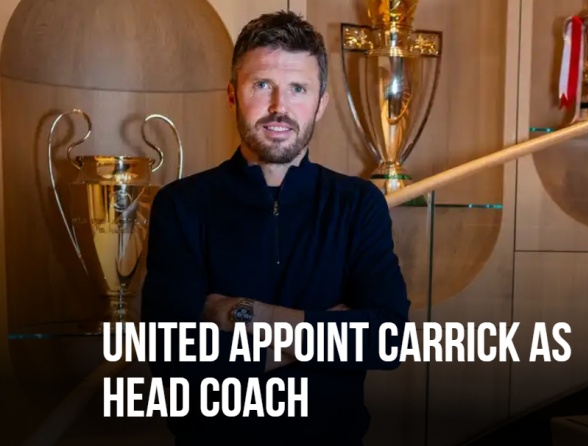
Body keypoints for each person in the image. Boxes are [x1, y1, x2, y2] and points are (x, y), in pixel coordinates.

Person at [140, 10, 410, 445]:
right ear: (233, 95)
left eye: (298, 88)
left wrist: (250, 315)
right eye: (262, 85)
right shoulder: (181, 205)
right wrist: (326, 334)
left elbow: (387, 339)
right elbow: (174, 363)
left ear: (321, 103)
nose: (279, 107)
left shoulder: (358, 204)